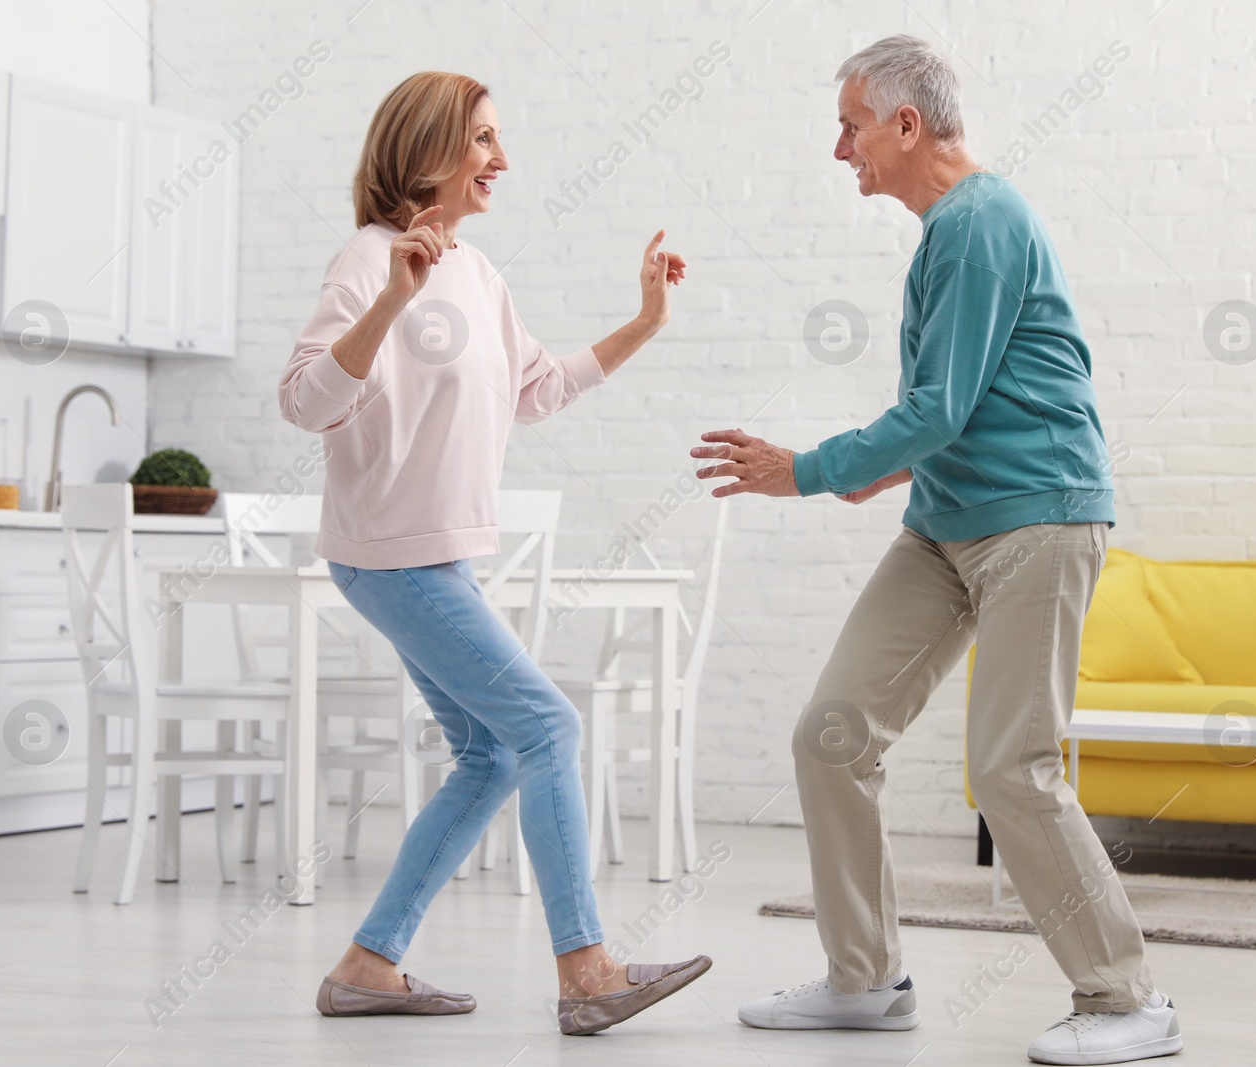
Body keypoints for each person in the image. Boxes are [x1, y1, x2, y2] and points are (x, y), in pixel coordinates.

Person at [693, 36, 1182, 1065]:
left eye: (850, 126)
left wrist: (811, 466)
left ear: (904, 125)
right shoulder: (945, 235)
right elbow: (952, 410)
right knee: (831, 732)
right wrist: (879, 466)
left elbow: (940, 404)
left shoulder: (981, 221)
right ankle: (864, 981)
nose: (841, 150)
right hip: (948, 526)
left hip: (1036, 520)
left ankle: (1125, 995)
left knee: (1012, 766)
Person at [278, 70, 710, 1036]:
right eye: (482, 142)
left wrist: (643, 321)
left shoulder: (477, 272)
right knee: (548, 729)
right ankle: (587, 968)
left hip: (440, 557)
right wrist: (390, 299)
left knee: (491, 753)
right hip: (389, 553)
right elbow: (305, 400)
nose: (501, 161)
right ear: (426, 148)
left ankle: (368, 964)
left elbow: (539, 388)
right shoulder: (368, 259)